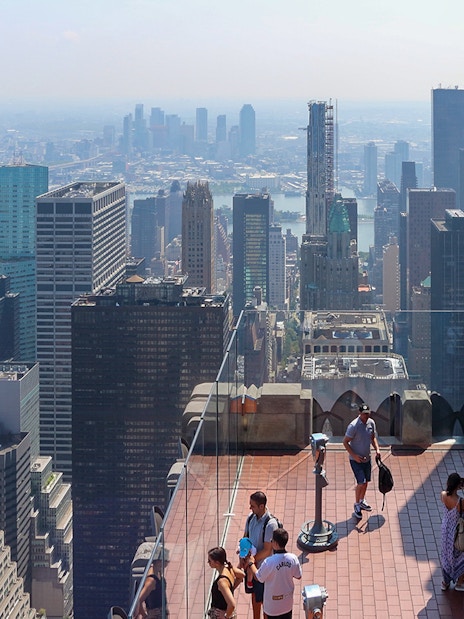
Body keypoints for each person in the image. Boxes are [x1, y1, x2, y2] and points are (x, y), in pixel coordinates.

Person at [247, 528, 302, 619]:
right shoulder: (293, 559)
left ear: (275, 543)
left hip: (272, 607)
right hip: (287, 604)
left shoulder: (269, 562)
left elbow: (258, 577)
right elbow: (298, 576)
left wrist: (251, 563)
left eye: (272, 540)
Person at [241, 491, 279, 619]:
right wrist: (243, 552)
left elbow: (267, 550)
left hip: (263, 569)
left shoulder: (270, 524)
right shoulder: (250, 518)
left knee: (264, 600)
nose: (250, 508)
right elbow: (245, 537)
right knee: (254, 596)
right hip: (251, 565)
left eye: (253, 506)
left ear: (261, 506)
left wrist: (250, 561)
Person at [343, 403, 381, 520]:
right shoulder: (353, 426)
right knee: (361, 482)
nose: (366, 416)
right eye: (364, 414)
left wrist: (377, 449)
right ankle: (356, 504)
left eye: (367, 414)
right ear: (359, 414)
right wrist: (354, 456)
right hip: (356, 460)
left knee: (366, 482)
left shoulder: (371, 423)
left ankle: (361, 500)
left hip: (367, 458)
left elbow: (372, 437)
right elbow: (345, 442)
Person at [440, 472, 464, 591]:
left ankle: (445, 582)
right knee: (460, 556)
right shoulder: (460, 502)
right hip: (456, 533)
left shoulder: (443, 495)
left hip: (445, 530)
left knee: (446, 556)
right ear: (458, 486)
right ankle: (460, 582)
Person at [207, 546, 244, 619]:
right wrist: (231, 589)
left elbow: (232, 604)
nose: (208, 562)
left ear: (217, 563)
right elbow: (242, 575)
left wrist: (226, 616)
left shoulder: (222, 582)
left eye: (209, 561)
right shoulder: (229, 568)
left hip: (220, 614)